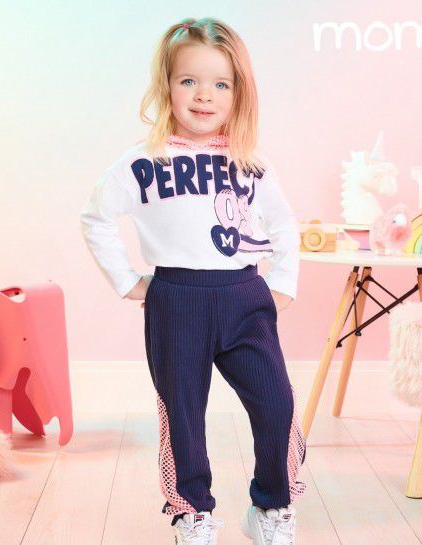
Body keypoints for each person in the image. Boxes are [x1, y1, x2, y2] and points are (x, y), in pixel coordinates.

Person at [80, 17, 307, 545]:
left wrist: (283, 284)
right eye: (189, 81)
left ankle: (272, 505)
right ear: (167, 86)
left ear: (238, 93)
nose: (205, 95)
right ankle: (193, 513)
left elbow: (284, 225)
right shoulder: (142, 161)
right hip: (176, 299)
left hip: (245, 296)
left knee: (276, 404)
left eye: (220, 84)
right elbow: (96, 218)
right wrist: (128, 282)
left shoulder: (251, 164)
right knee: (182, 413)